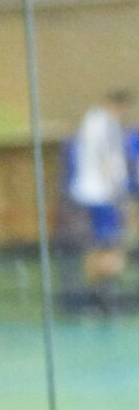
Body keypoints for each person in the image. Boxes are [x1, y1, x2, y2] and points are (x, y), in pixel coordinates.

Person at [67, 89, 133, 312]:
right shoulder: (102, 122)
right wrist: (115, 188)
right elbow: (105, 156)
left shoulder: (97, 121)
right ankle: (104, 293)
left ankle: (101, 292)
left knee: (102, 243)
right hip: (101, 193)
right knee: (108, 243)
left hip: (96, 193)